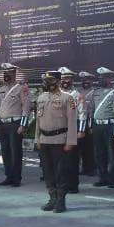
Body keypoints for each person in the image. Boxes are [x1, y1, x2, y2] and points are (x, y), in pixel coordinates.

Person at [35, 71, 78, 213]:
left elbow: (72, 121)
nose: (48, 83)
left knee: (61, 172)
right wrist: (37, 138)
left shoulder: (68, 98)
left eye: (51, 80)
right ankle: (52, 198)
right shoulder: (41, 98)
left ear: (59, 81)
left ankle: (61, 201)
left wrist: (71, 141)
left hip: (60, 140)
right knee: (47, 171)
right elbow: (38, 121)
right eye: (46, 80)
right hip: (45, 140)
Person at [0, 63, 30, 187]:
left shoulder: (21, 87)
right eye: (5, 73)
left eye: (9, 72)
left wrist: (23, 125)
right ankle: (8, 176)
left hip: (15, 123)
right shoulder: (1, 89)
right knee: (5, 151)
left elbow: (26, 107)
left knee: (15, 151)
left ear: (14, 73)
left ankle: (16, 178)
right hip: (3, 123)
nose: (6, 75)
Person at [92, 67, 114, 188]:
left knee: (112, 154)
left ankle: (112, 179)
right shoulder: (96, 92)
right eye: (100, 77)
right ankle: (102, 177)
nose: (102, 79)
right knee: (99, 153)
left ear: (111, 78)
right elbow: (91, 109)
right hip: (97, 125)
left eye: (105, 77)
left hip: (109, 125)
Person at [58, 68, 85, 193]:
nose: (64, 81)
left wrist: (81, 130)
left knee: (72, 159)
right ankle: (62, 184)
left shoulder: (77, 95)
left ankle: (73, 186)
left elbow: (82, 114)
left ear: (72, 79)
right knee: (61, 159)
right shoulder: (56, 94)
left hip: (72, 130)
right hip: (58, 131)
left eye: (67, 78)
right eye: (62, 78)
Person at [77, 72, 96, 176]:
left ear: (91, 81)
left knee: (89, 146)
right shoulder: (78, 92)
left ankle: (90, 168)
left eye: (88, 80)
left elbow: (93, 110)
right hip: (80, 121)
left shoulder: (94, 92)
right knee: (81, 146)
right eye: (83, 80)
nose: (85, 82)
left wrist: (91, 125)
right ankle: (84, 167)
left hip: (90, 121)